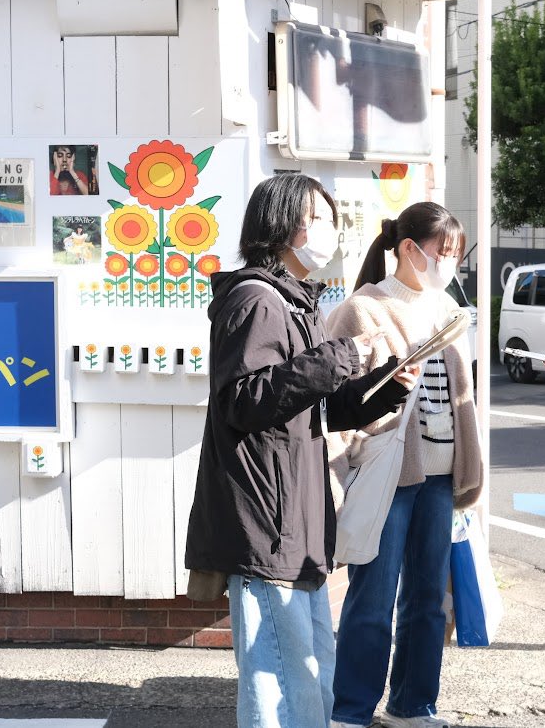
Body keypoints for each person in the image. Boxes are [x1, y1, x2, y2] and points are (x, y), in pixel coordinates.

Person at [185, 173, 418, 728]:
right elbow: (244, 401)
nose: (329, 232)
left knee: (308, 675)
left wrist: (379, 386)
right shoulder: (256, 301)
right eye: (320, 219)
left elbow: (309, 408)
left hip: (296, 523)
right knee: (282, 684)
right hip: (269, 521)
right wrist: (342, 355)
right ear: (284, 223)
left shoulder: (290, 303)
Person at [326, 202, 485, 728]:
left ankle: (412, 704)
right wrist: (345, 469)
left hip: (440, 475)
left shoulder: (448, 310)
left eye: (456, 255)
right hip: (388, 473)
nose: (450, 264)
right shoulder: (363, 308)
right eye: (444, 253)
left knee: (426, 598)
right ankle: (350, 709)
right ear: (409, 250)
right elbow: (335, 399)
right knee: (373, 594)